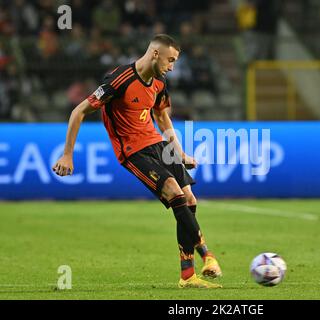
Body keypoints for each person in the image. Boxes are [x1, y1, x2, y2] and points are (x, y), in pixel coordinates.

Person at [52, 34, 222, 289]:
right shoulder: (120, 79)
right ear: (155, 53)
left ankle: (188, 276)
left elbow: (162, 118)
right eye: (170, 60)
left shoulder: (160, 83)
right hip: (133, 151)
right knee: (176, 194)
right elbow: (79, 111)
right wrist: (67, 154)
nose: (172, 67)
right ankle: (208, 255)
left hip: (159, 145)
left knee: (189, 200)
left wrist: (180, 152)